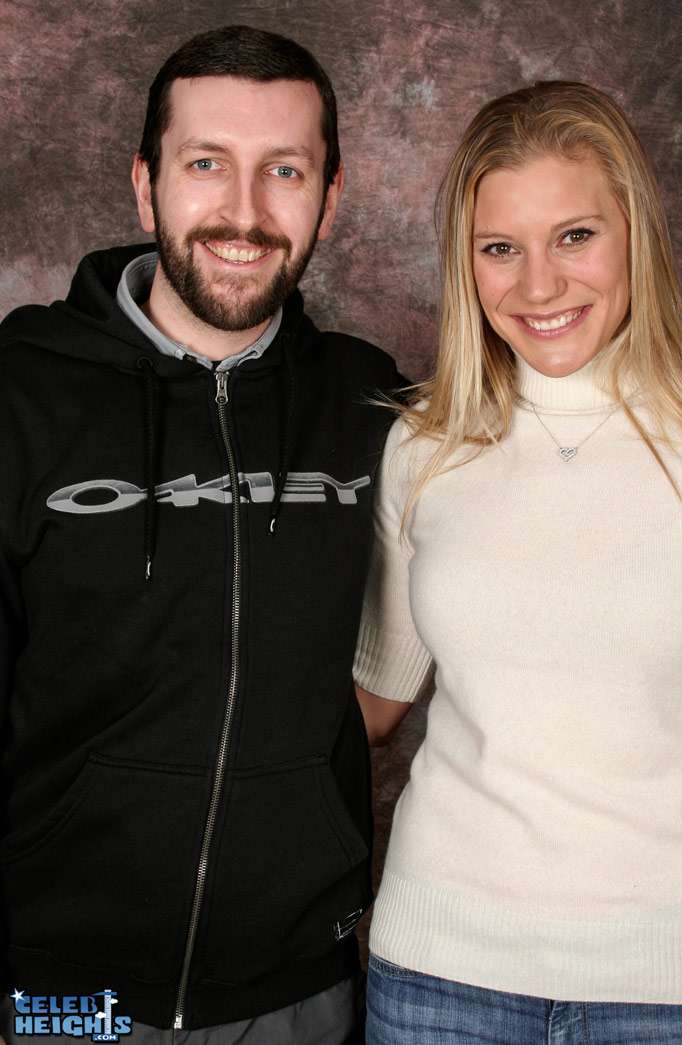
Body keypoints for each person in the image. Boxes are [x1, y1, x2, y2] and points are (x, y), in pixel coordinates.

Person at [0, 24, 402, 1045]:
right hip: (54, 989)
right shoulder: (20, 397)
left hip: (297, 991)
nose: (243, 211)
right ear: (145, 186)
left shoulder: (375, 405)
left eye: (284, 171)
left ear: (331, 196)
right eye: (205, 164)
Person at [354, 81, 682, 1044]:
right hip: (440, 976)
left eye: (575, 236)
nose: (538, 286)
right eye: (500, 248)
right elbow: (373, 699)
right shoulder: (423, 442)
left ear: (636, 233)